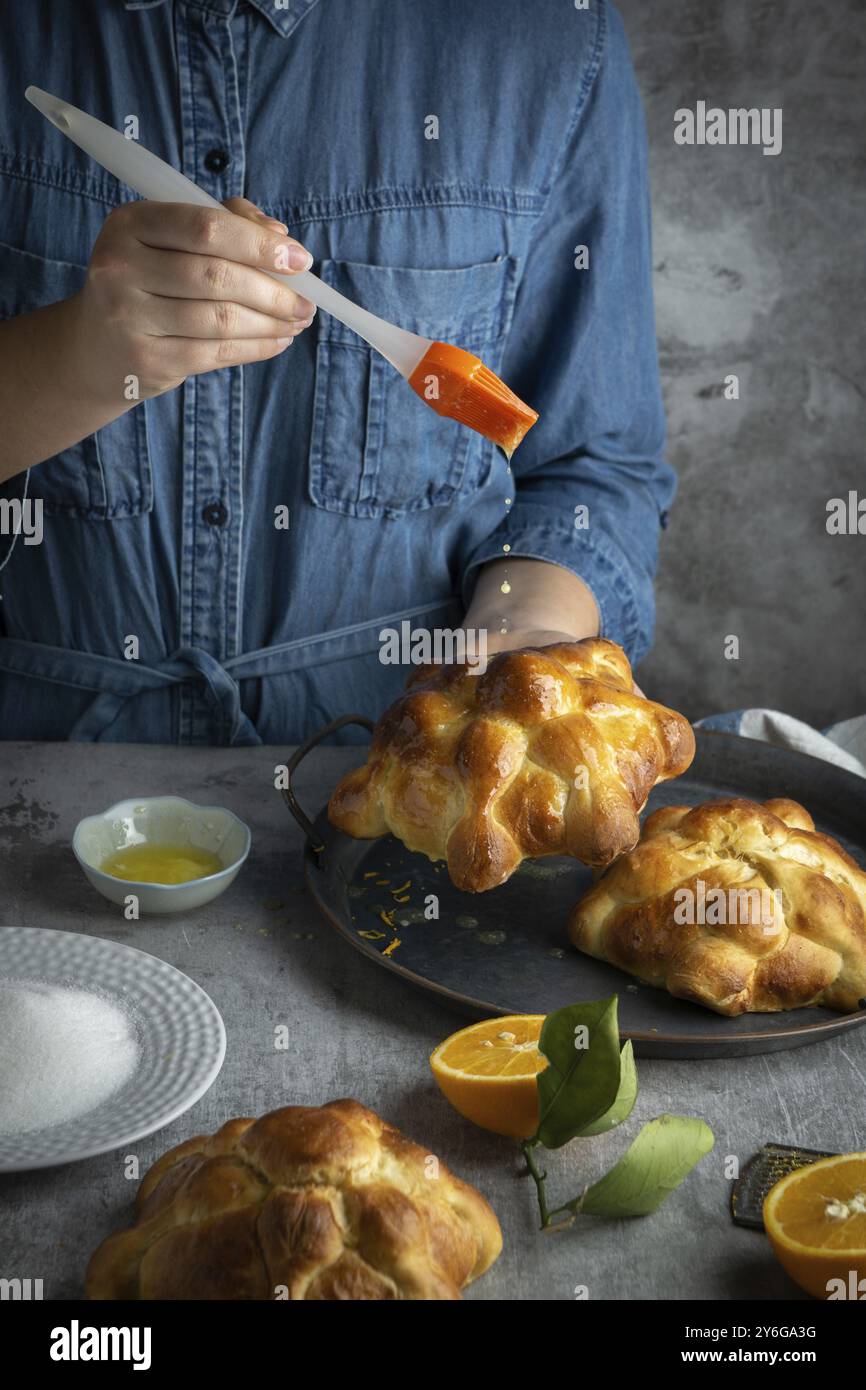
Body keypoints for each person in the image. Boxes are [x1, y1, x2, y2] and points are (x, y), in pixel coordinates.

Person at [0, 0, 674, 745]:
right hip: (35, 777)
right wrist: (69, 362)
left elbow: (592, 466)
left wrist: (530, 623)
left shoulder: (551, 35)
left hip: (397, 773)